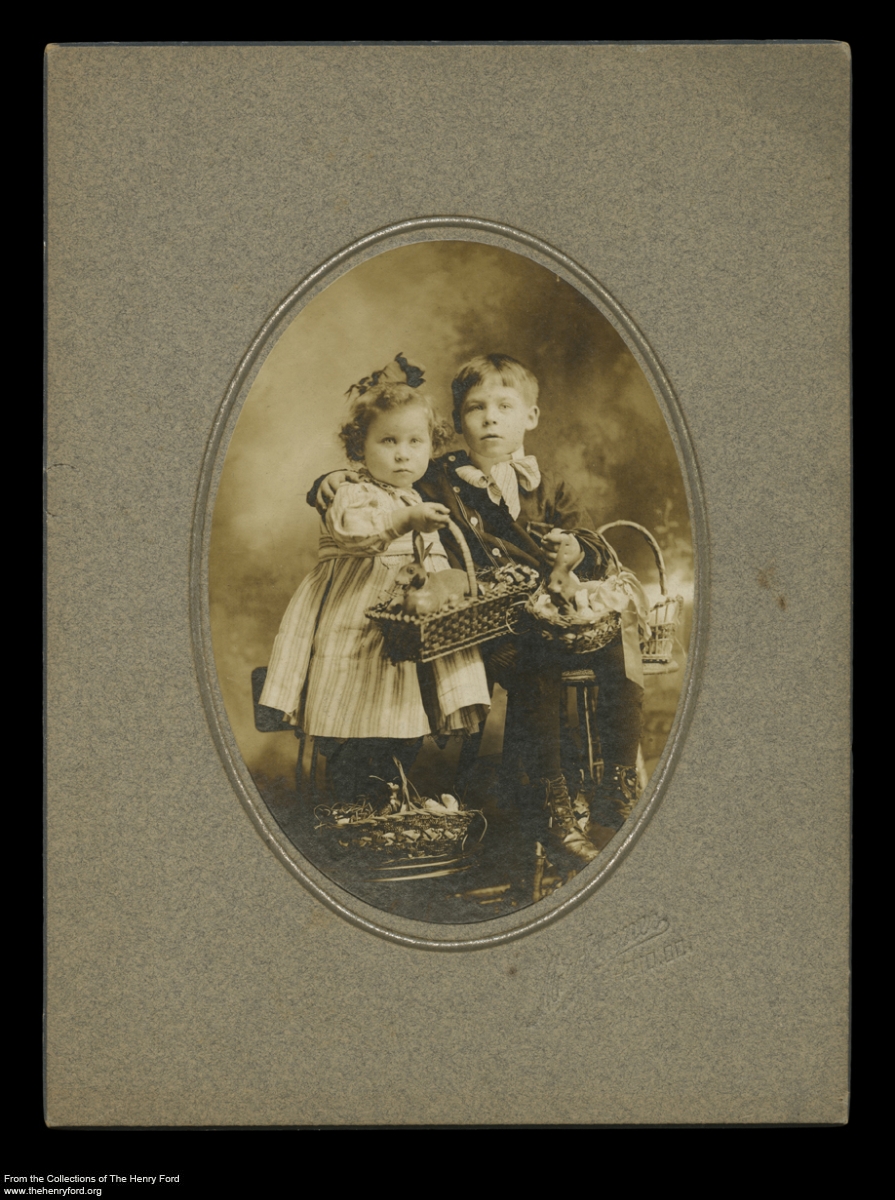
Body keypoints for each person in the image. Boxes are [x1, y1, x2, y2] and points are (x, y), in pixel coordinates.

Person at [310, 354, 648, 863]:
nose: (491, 418)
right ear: (457, 420)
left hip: (554, 617)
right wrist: (330, 479)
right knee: (537, 663)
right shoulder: (434, 476)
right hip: (487, 626)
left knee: (619, 639)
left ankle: (615, 789)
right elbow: (380, 475)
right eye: (476, 408)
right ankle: (550, 808)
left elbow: (590, 540)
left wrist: (575, 549)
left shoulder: (547, 482)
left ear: (530, 416)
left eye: (504, 406)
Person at [260, 357, 490, 810]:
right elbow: (354, 533)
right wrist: (404, 520)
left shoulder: (417, 493)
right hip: (356, 623)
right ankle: (356, 810)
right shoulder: (354, 491)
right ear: (358, 448)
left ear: (431, 445)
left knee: (402, 720)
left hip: (404, 635)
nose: (403, 454)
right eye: (388, 441)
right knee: (353, 719)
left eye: (415, 442)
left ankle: (387, 805)